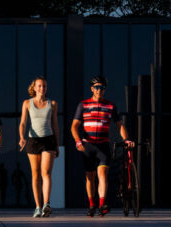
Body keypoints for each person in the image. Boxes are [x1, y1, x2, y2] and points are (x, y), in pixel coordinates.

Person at [71, 75, 133, 217]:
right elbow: (74, 126)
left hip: (103, 145)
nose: (100, 90)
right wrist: (77, 141)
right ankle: (92, 204)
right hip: (88, 146)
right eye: (97, 87)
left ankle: (102, 204)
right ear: (92, 89)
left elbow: (119, 125)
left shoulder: (110, 106)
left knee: (103, 175)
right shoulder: (83, 105)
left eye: (102, 88)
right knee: (90, 177)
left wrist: (127, 139)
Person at [19, 77, 60, 218]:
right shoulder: (27, 103)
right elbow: (23, 123)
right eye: (40, 86)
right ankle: (37, 206)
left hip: (48, 140)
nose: (42, 88)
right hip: (33, 140)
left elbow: (55, 125)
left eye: (45, 86)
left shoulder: (52, 104)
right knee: (35, 174)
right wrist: (22, 137)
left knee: (46, 173)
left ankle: (46, 204)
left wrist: (57, 144)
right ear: (35, 88)